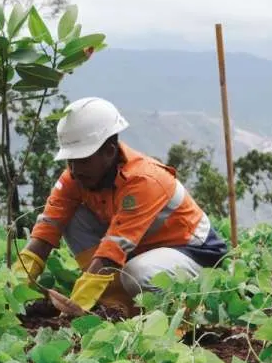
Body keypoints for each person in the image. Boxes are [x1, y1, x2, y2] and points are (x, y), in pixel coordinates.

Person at [14, 97, 228, 314]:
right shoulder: (76, 176)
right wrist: (16, 284)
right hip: (143, 250)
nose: (75, 169)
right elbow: (47, 229)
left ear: (109, 151)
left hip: (193, 254)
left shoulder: (144, 180)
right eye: (70, 160)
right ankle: (116, 305)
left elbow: (113, 250)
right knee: (72, 217)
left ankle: (184, 315)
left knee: (139, 272)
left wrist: (76, 303)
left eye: (83, 159)